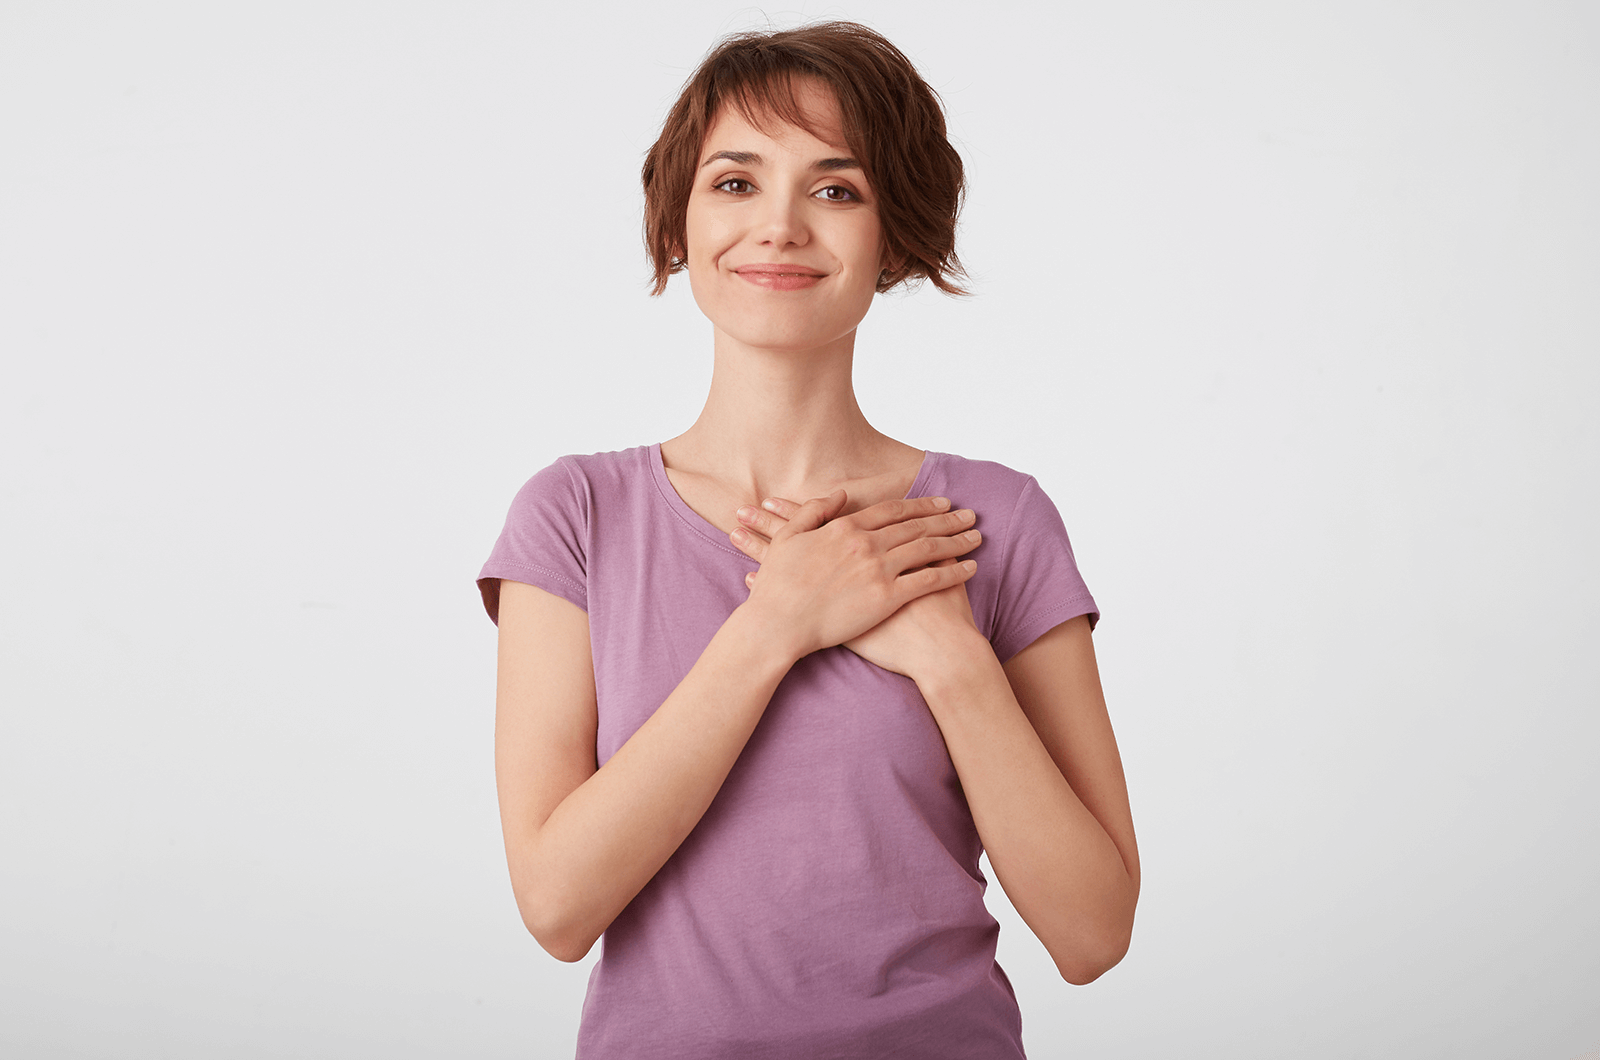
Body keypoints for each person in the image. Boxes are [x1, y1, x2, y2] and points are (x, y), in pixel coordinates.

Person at [478, 21, 1139, 1059]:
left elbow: (1094, 932)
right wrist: (776, 622)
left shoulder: (994, 523)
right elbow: (558, 906)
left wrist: (948, 656)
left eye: (836, 190)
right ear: (676, 225)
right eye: (735, 184)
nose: (779, 226)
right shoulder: (574, 516)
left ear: (894, 237)